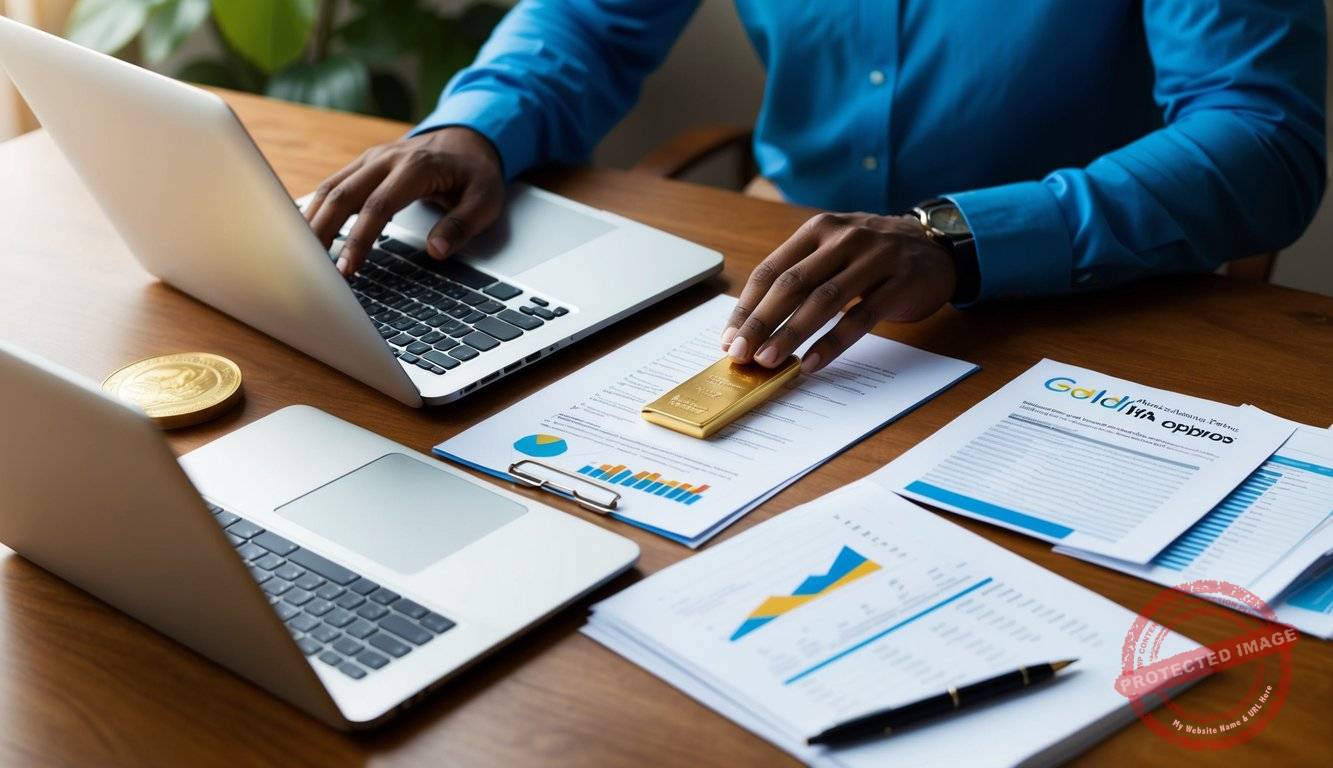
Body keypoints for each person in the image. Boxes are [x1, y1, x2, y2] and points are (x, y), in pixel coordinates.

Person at [305, 1, 1327, 374]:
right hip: (773, 268)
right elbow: (585, 20)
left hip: (1074, 313)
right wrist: (477, 126)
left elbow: (1261, 139)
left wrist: (960, 240)